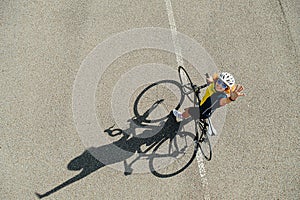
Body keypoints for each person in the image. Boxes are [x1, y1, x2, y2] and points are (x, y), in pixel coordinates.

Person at [173, 72, 245, 125]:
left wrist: (232, 98)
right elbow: (213, 80)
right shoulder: (215, 84)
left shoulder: (221, 96)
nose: (219, 85)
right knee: (200, 104)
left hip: (202, 112)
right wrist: (211, 79)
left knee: (188, 110)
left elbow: (224, 101)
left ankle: (181, 116)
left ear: (227, 89)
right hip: (205, 104)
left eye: (224, 85)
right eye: (219, 81)